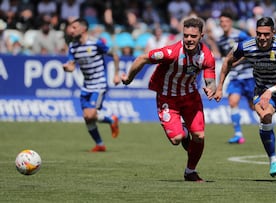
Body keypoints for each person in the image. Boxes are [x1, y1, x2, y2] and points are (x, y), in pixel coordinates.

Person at [121, 17, 216, 182]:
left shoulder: (206, 56)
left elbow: (210, 79)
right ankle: (184, 132)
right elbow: (142, 58)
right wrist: (129, 78)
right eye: (186, 35)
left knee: (199, 136)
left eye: (193, 36)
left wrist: (211, 88)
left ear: (201, 35)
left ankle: (190, 171)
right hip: (168, 98)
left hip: (190, 98)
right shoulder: (171, 53)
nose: (188, 39)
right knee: (176, 139)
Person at [215, 17, 276, 177]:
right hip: (261, 90)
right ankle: (273, 160)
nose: (262, 38)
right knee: (265, 116)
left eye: (266, 34)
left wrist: (271, 90)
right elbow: (227, 61)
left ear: (273, 33)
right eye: (259, 34)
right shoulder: (246, 46)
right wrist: (219, 87)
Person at [63, 18, 120, 152]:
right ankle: (100, 144)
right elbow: (71, 67)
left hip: (99, 84)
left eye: (74, 27)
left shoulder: (95, 43)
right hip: (86, 86)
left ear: (84, 29)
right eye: (71, 28)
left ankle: (112, 119)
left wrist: (116, 74)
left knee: (90, 115)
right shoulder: (72, 47)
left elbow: (115, 55)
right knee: (87, 118)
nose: (71, 30)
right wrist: (66, 68)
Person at [216, 10, 254, 144]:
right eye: (221, 21)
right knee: (232, 102)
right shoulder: (220, 40)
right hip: (234, 77)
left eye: (226, 21)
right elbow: (225, 57)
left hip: (248, 75)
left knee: (254, 107)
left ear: (231, 22)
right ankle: (238, 134)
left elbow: (251, 47)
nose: (224, 24)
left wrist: (237, 61)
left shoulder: (241, 35)